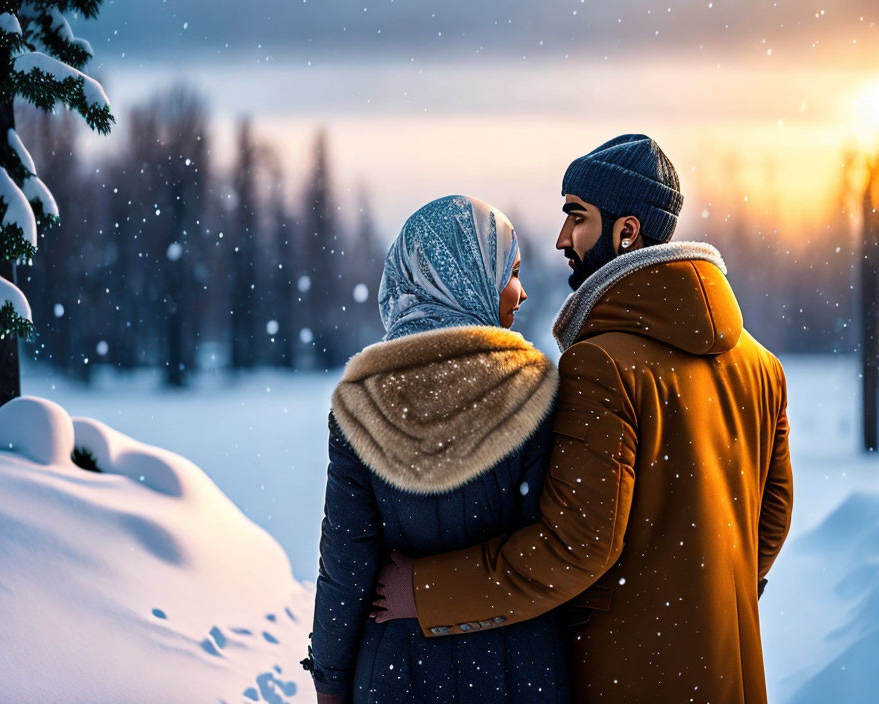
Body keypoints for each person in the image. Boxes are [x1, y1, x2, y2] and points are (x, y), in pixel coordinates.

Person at [372, 135, 794, 704]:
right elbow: (771, 520)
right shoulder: (759, 364)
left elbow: (575, 546)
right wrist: (706, 599)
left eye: (577, 217)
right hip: (730, 671)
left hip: (630, 677)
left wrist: (421, 592)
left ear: (627, 231)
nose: (562, 239)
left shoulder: (602, 364)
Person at [302, 195, 571, 704]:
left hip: (397, 673)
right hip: (520, 671)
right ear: (469, 277)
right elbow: (553, 554)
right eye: (510, 273)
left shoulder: (362, 405)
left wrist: (330, 679)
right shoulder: (536, 395)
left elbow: (346, 562)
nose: (522, 292)